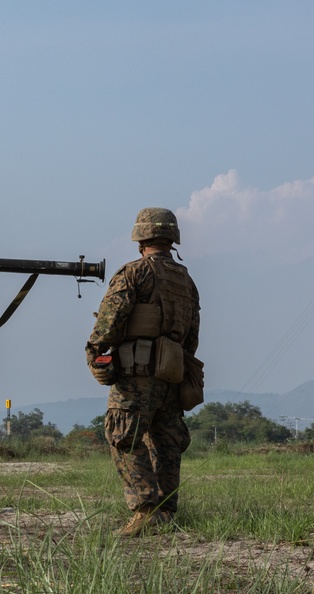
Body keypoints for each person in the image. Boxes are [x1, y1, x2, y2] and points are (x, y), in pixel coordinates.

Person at [85, 208, 201, 537]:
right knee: (166, 442)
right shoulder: (186, 281)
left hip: (137, 374)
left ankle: (145, 509)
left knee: (123, 436)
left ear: (140, 239)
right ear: (171, 239)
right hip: (171, 373)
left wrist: (94, 351)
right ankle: (165, 513)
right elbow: (192, 334)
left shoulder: (134, 273)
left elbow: (111, 318)